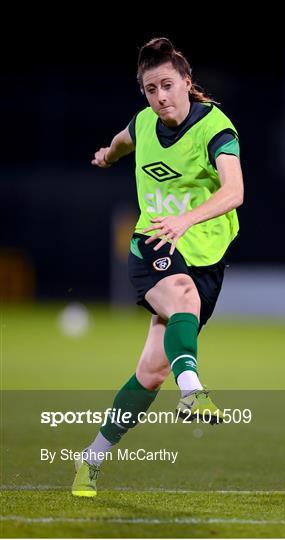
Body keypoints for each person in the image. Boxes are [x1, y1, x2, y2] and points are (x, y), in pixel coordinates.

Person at [71, 37, 244, 497]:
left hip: (206, 253)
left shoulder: (216, 130)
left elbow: (234, 192)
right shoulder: (144, 123)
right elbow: (124, 140)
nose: (160, 97)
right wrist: (108, 155)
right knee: (182, 292)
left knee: (151, 373)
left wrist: (187, 220)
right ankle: (194, 391)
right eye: (150, 89)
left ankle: (91, 457)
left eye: (167, 85)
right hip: (153, 244)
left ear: (187, 83)